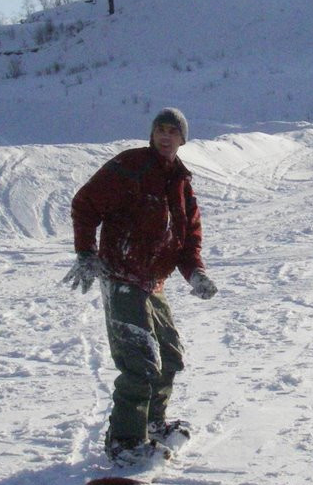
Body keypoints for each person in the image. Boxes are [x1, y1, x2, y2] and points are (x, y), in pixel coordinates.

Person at [64, 107, 218, 465]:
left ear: (182, 139)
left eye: (172, 131)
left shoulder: (181, 183)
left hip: (153, 282)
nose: (165, 136)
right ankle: (125, 441)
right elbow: (85, 204)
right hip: (122, 277)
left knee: (169, 356)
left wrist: (195, 272)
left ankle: (151, 421)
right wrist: (85, 252)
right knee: (139, 360)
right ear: (152, 134)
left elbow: (188, 239)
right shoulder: (130, 165)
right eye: (160, 129)